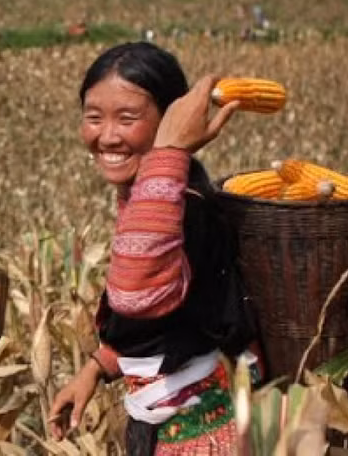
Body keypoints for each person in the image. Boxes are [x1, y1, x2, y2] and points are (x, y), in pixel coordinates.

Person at [48, 41, 254, 455]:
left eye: (127, 118)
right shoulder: (148, 196)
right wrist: (96, 367)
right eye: (93, 117)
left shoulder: (183, 205)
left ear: (171, 119)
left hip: (203, 433)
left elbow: (136, 292)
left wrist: (170, 151)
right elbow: (158, 322)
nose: (106, 136)